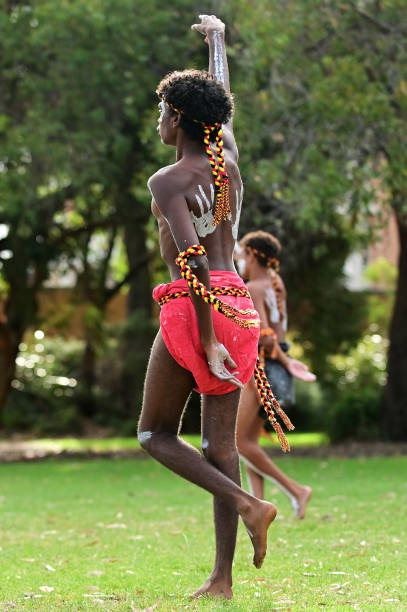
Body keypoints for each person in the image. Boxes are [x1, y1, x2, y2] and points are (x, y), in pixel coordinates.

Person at [137, 15, 281, 600]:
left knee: (152, 434)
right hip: (239, 307)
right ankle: (221, 580)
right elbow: (225, 111)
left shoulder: (167, 180)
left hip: (196, 308)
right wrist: (217, 43)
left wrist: (208, 338)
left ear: (177, 120)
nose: (159, 119)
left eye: (163, 110)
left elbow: (191, 258)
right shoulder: (229, 168)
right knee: (218, 449)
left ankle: (249, 502)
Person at [235, 231, 315, 519]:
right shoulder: (275, 283)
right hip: (275, 365)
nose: (240, 260)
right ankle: (258, 506)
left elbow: (266, 337)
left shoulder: (253, 286)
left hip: (263, 365)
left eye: (244, 254)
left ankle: (296, 491)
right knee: (250, 442)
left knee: (238, 442)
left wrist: (285, 360)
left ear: (253, 255)